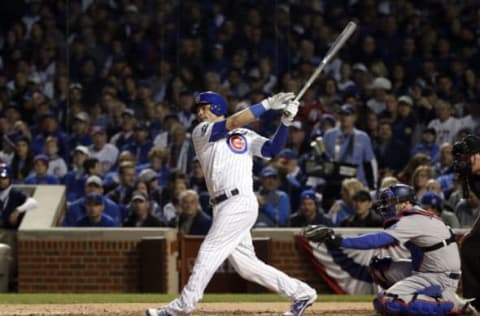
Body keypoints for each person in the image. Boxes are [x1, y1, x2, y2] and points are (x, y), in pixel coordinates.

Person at [146, 91, 317, 316]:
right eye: (198, 108)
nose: (199, 112)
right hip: (222, 205)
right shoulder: (201, 131)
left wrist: (285, 121)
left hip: (240, 201)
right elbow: (233, 121)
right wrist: (267, 104)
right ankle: (302, 292)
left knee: (209, 250)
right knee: (247, 267)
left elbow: (271, 150)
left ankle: (183, 305)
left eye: (204, 107)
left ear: (216, 107)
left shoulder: (244, 134)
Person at [304, 183, 477, 316]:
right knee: (380, 267)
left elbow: (379, 240)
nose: (386, 206)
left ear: (406, 203)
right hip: (426, 271)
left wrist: (337, 240)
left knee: (387, 301)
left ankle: (451, 304)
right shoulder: (415, 216)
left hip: (439, 277)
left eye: (391, 202)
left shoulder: (413, 219)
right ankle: (419, 297)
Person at [453, 135, 480, 309]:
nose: (463, 161)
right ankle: (475, 301)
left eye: (467, 156)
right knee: (470, 245)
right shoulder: (472, 175)